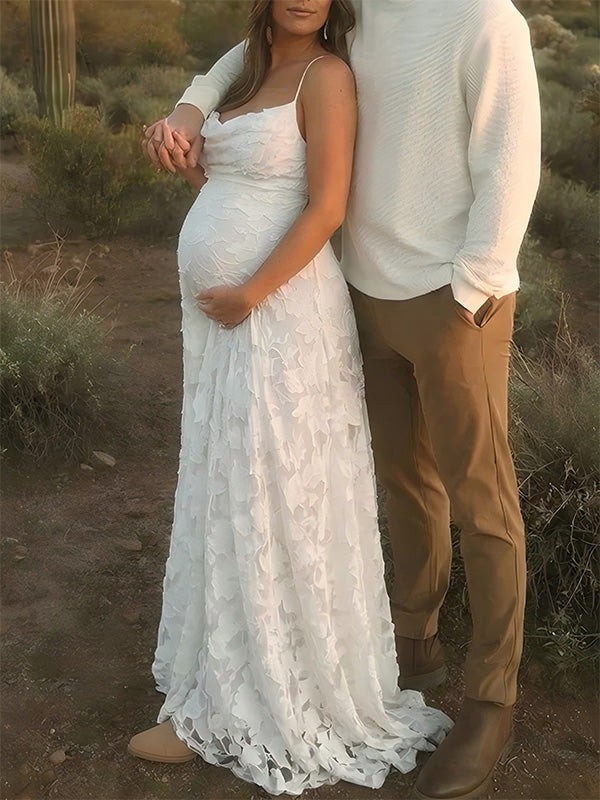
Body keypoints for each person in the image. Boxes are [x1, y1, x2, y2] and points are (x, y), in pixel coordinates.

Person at [142, 1, 542, 798]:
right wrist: (189, 106)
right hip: (362, 289)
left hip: (453, 297)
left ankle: (491, 700)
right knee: (402, 478)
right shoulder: (360, 9)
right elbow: (242, 56)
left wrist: (475, 289)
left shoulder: (485, 19)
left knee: (481, 498)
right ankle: (415, 636)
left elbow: (511, 158)